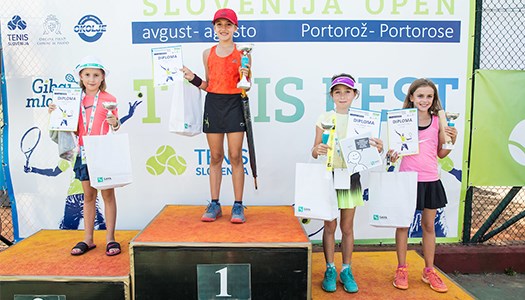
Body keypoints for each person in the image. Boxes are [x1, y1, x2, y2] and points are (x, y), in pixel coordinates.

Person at [312, 74, 384, 293]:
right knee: (330, 226)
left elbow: (371, 150)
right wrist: (318, 149)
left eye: (347, 92)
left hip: (351, 176)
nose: (342, 96)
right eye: (337, 92)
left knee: (347, 227)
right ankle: (330, 268)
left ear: (355, 94)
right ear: (332, 95)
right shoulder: (324, 117)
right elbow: (314, 150)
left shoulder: (363, 120)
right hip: (329, 175)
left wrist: (378, 147)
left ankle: (346, 269)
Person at [181, 8, 250, 224]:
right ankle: (215, 203)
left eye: (228, 25)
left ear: (235, 28)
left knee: (236, 155)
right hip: (213, 104)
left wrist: (246, 75)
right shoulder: (207, 53)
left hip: (234, 104)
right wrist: (192, 78)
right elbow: (208, 85)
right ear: (214, 28)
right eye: (219, 25)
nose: (223, 29)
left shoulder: (243, 53)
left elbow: (247, 86)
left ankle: (238, 205)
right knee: (216, 156)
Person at [388, 78, 457, 293]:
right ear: (411, 97)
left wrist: (452, 142)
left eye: (429, 96)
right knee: (403, 226)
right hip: (407, 180)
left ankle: (429, 270)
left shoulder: (438, 121)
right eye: (420, 96)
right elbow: (393, 155)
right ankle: (402, 268)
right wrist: (391, 155)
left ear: (434, 99)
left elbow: (441, 153)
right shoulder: (401, 120)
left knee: (429, 226)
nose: (425, 100)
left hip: (430, 180)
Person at [49, 56, 122, 256]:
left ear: (102, 77)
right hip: (83, 152)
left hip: (103, 151)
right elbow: (67, 127)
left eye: (96, 75)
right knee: (88, 197)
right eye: (87, 75)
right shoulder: (73, 99)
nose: (91, 79)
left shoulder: (109, 99)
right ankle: (88, 239)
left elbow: (115, 126)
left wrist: (114, 121)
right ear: (80, 77)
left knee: (108, 195)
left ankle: (110, 239)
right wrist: (55, 113)